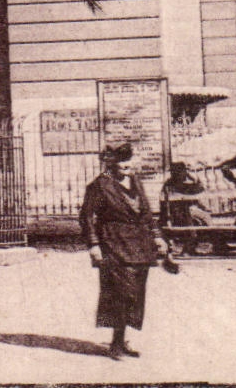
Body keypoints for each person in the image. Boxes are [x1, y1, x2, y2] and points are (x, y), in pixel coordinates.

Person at [79, 143, 167, 359]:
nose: (128, 170)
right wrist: (94, 245)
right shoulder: (99, 186)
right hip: (114, 243)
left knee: (135, 294)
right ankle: (116, 344)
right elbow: (87, 217)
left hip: (140, 245)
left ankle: (121, 340)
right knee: (121, 292)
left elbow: (146, 212)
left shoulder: (135, 181)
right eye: (123, 167)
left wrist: (157, 236)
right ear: (111, 165)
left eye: (130, 166)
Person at [161, 162, 212, 231]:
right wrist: (192, 178)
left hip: (174, 213)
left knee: (201, 214)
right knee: (206, 216)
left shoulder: (169, 183)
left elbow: (189, 198)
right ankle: (213, 234)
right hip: (180, 214)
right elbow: (199, 189)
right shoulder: (177, 185)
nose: (185, 174)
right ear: (180, 172)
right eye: (184, 171)